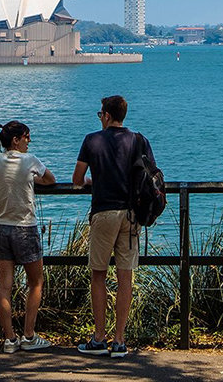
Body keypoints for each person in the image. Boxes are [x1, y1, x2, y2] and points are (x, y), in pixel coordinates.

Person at [73, 95, 154, 358]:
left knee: (98, 274)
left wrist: (92, 182)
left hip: (104, 211)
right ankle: (119, 340)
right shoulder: (138, 140)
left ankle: (99, 338)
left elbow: (77, 179)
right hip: (130, 215)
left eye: (100, 114)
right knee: (125, 277)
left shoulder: (92, 140)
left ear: (107, 115)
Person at [0, 120, 56, 353]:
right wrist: (30, 179)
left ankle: (10, 339)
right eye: (26, 137)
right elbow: (50, 179)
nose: (29, 141)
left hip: (1, 228)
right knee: (36, 282)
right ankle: (29, 335)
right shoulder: (30, 160)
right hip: (25, 228)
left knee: (4, 286)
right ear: (16, 140)